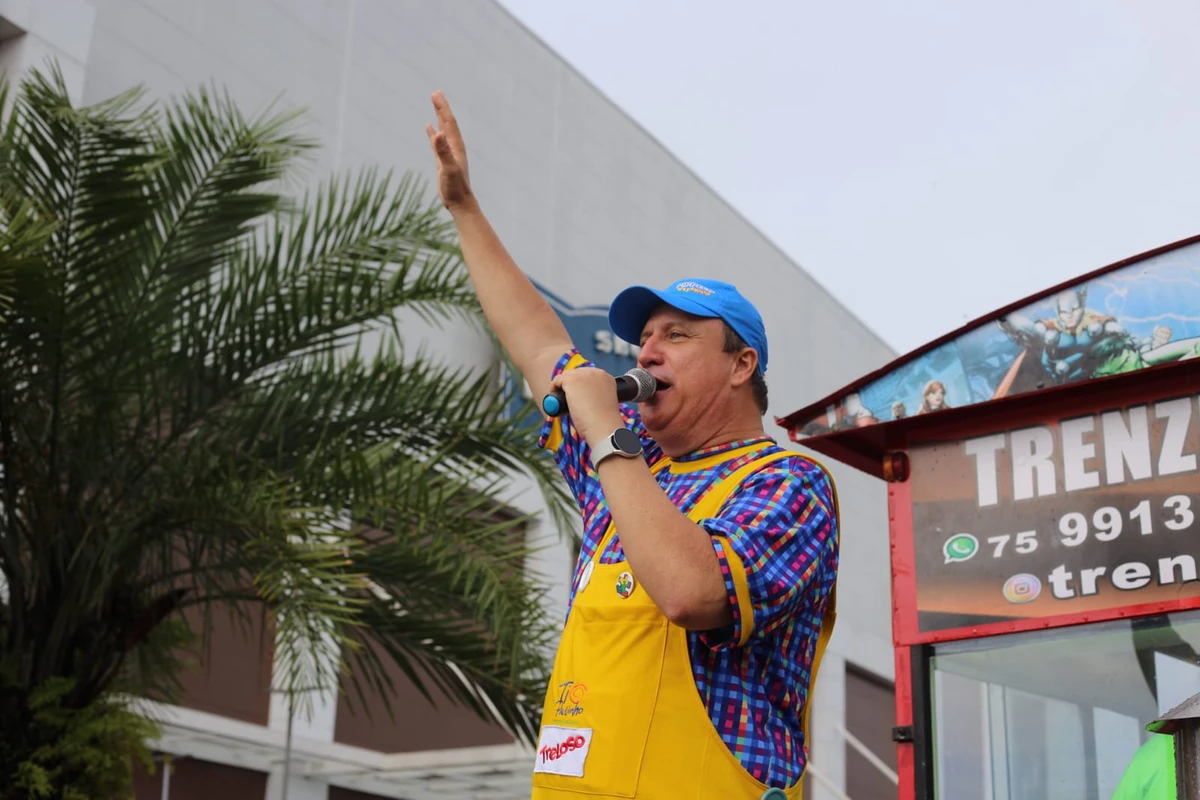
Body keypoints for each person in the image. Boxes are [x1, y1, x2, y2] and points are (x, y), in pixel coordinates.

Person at [425, 90, 840, 800]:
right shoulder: (622, 468)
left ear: (742, 366)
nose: (646, 353)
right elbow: (536, 340)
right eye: (642, 338)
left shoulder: (790, 483)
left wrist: (607, 437)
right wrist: (464, 207)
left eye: (676, 336)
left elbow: (689, 592)